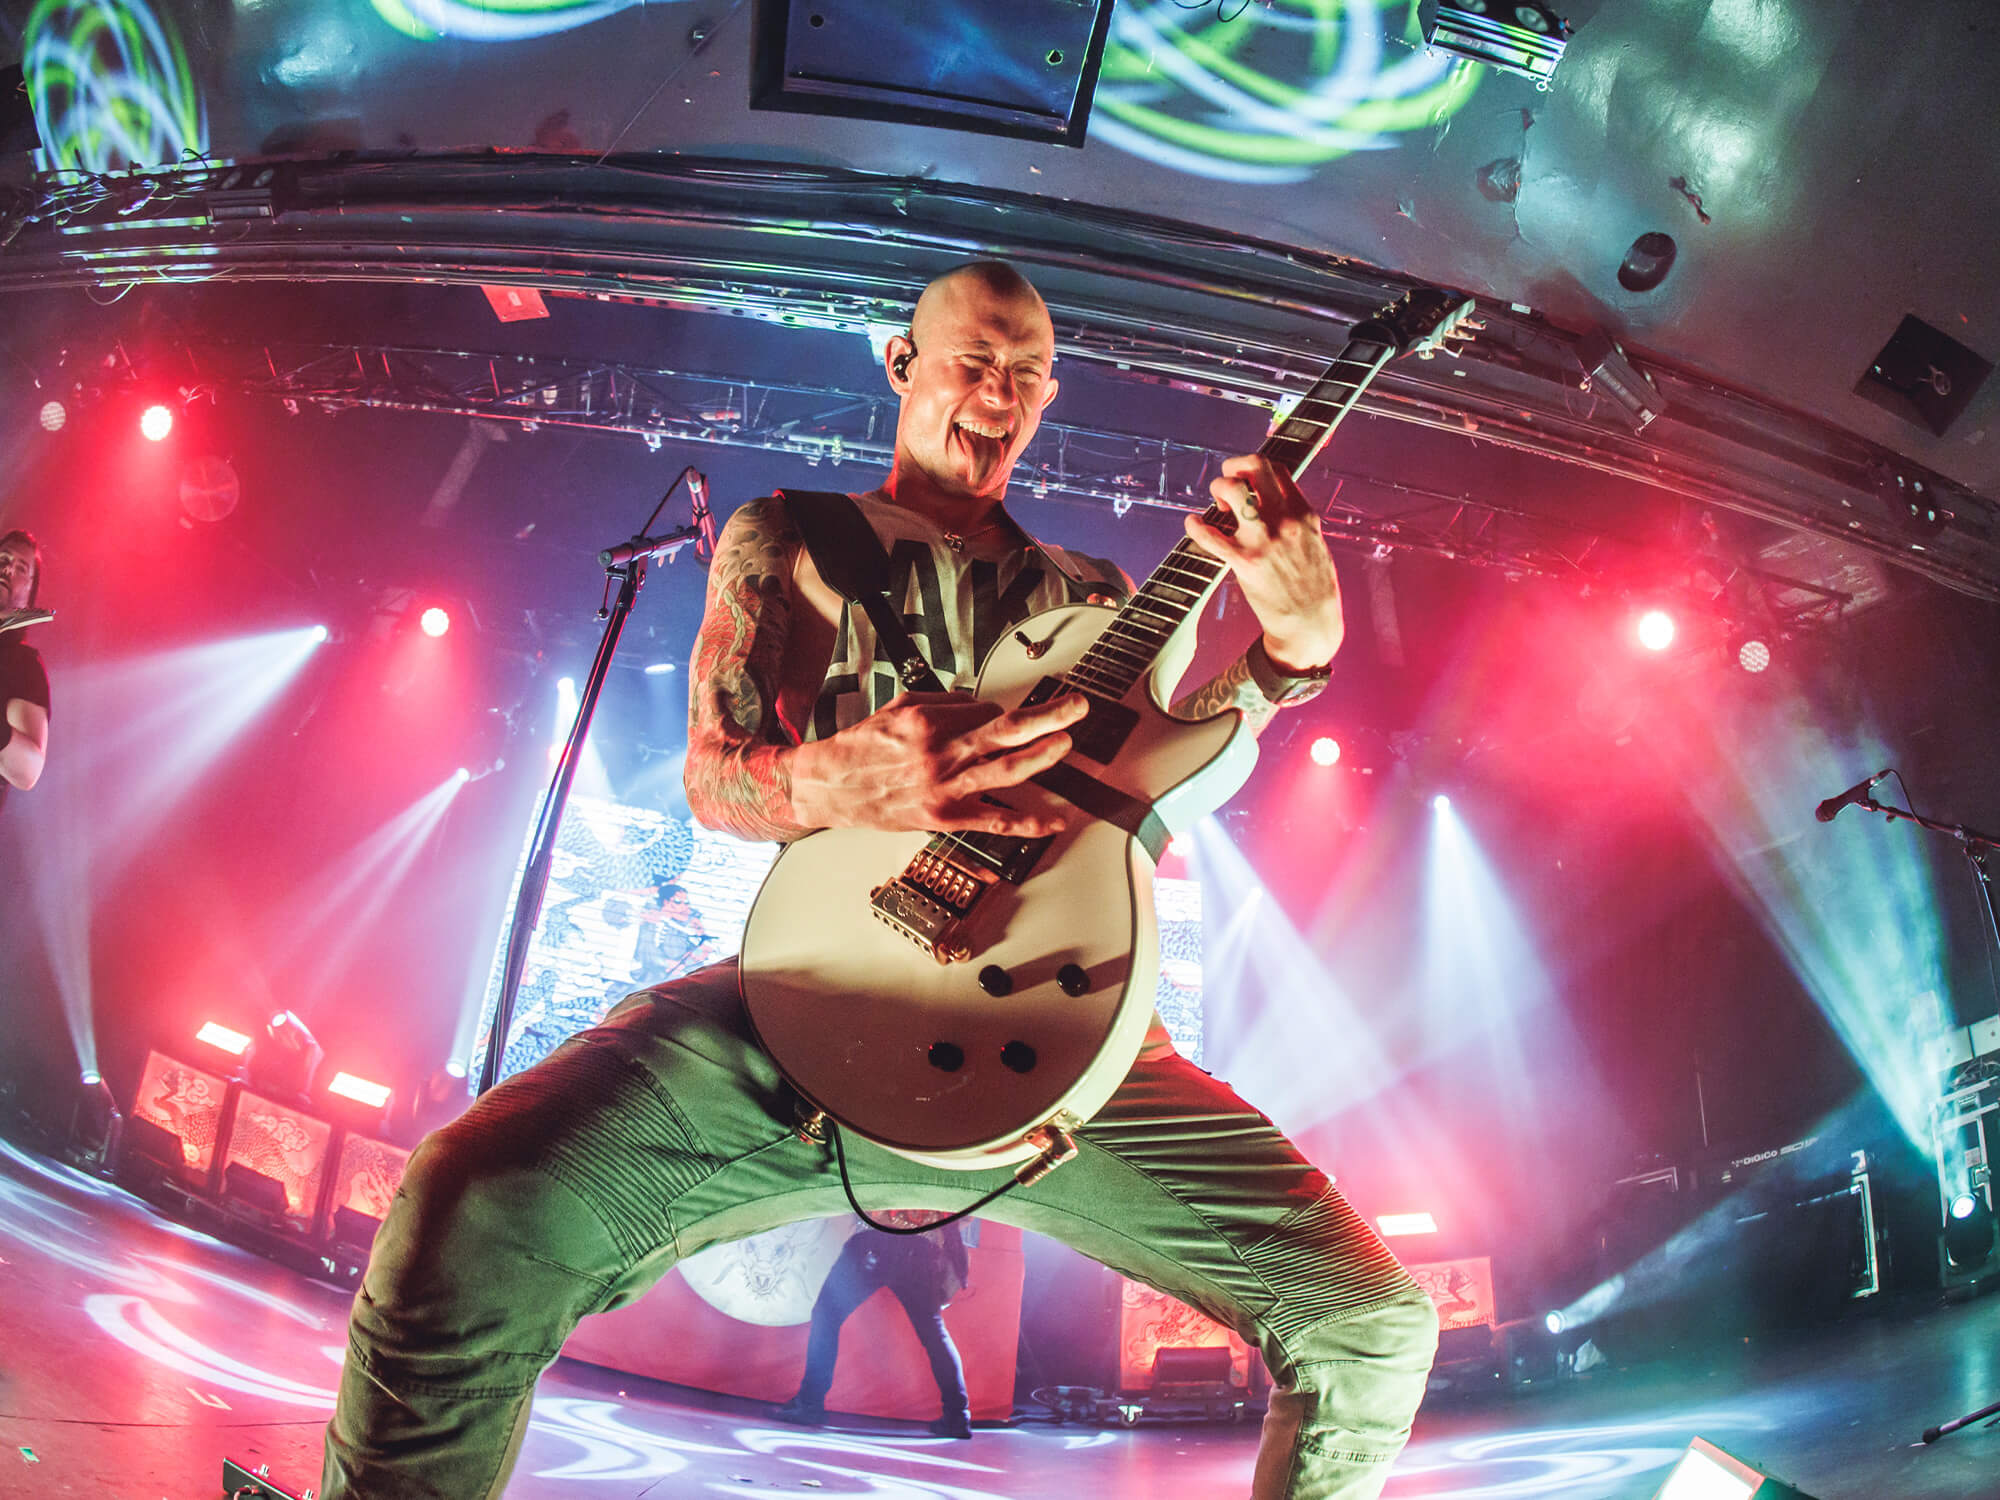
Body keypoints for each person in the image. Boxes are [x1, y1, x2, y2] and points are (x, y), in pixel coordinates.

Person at [322, 261, 1437, 1500]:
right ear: (902, 365)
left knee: (1370, 1326)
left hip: (1059, 1041)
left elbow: (1172, 775)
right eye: (972, 361)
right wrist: (838, 786)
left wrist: (1297, 650)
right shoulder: (790, 536)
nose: (996, 395)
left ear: (1048, 394)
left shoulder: (1098, 598)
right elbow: (713, 775)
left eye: (1023, 375)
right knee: (469, 1204)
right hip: (803, 1003)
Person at [775, 1212, 973, 1438]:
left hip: (876, 1238)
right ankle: (958, 1416)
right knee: (934, 1332)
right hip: (920, 1248)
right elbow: (964, 1216)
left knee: (827, 1315)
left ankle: (810, 1404)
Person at [0, 528, 49, 810]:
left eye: (21, 568)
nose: (7, 569)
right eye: (3, 559)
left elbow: (29, 770)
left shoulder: (24, 665)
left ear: (29, 596)